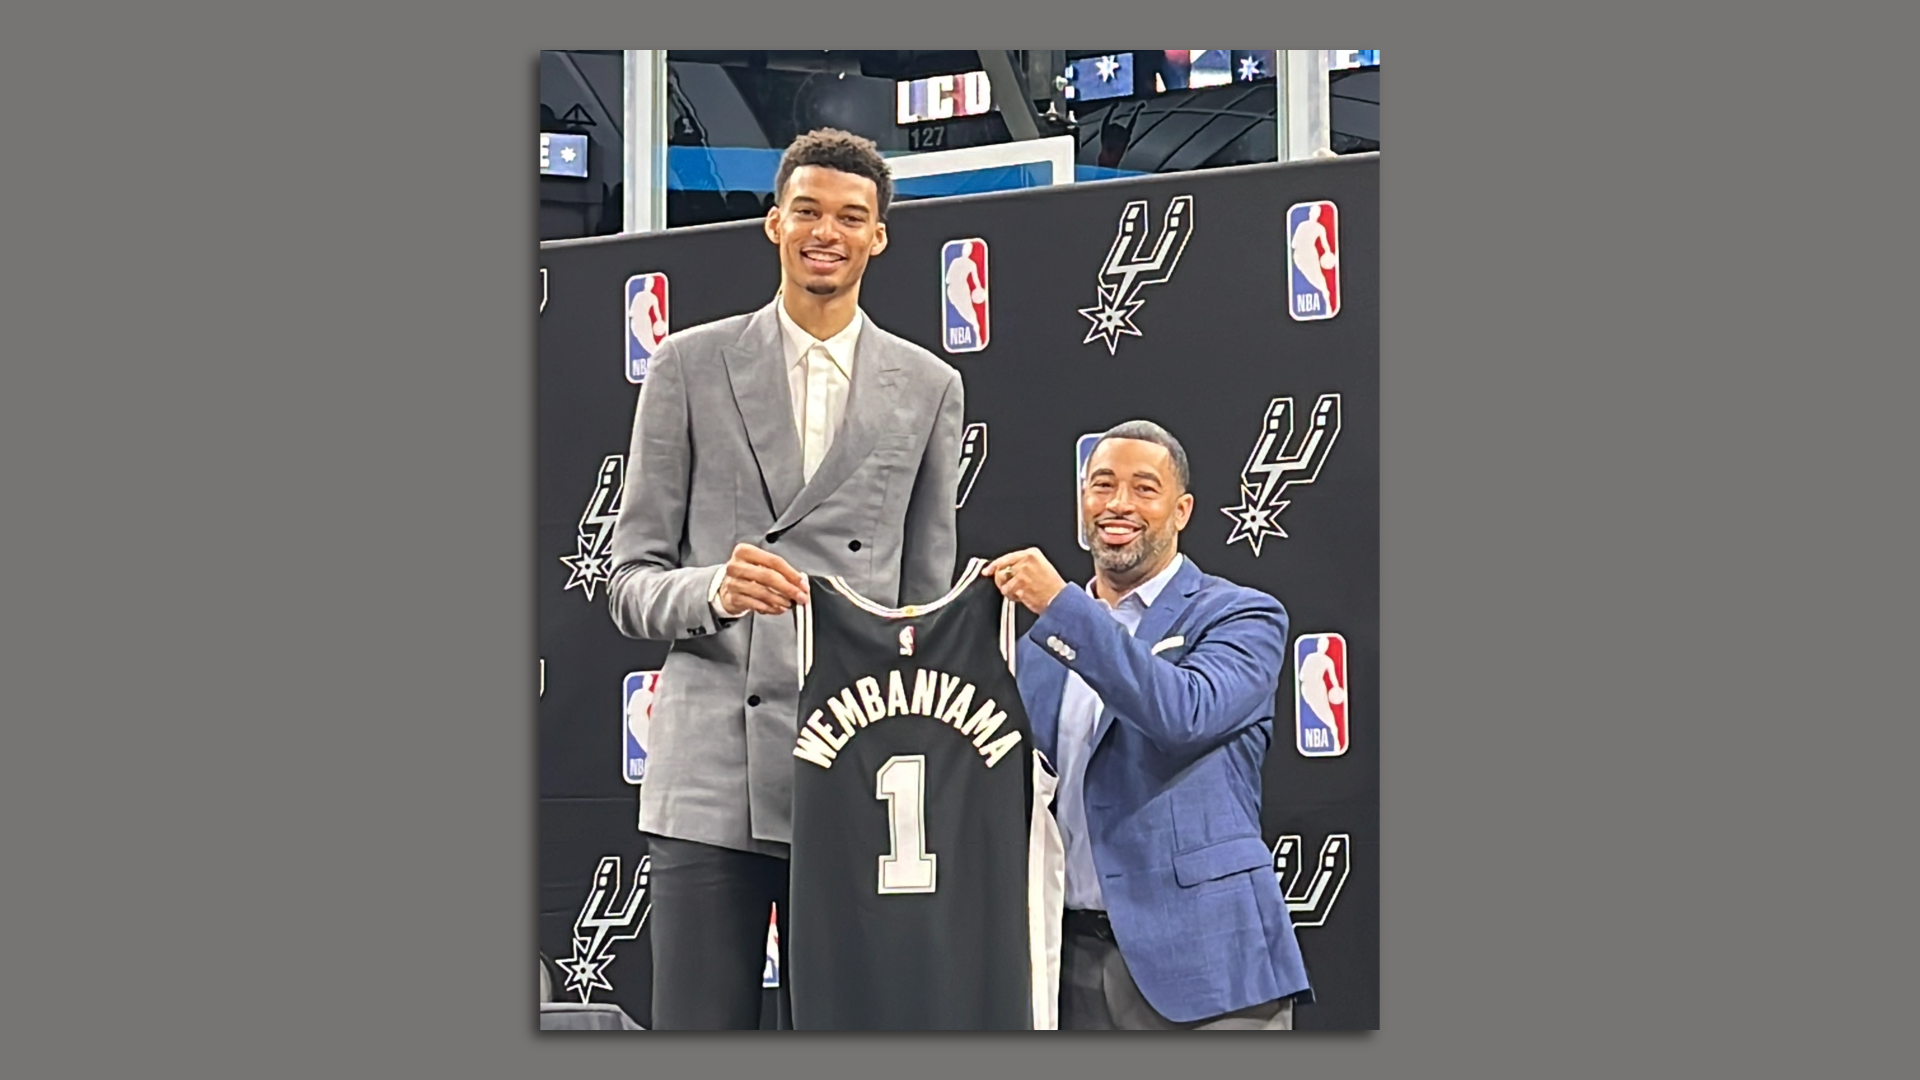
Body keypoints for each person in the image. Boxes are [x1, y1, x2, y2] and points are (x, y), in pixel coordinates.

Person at [605, 128, 966, 1030]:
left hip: (853, 779)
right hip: (710, 784)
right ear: (774, 223)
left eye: (852, 217)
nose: (826, 232)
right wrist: (715, 591)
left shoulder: (927, 386)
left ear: (880, 236)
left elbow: (923, 607)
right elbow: (628, 581)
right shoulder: (687, 364)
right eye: (807, 211)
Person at [983, 420, 1312, 1030]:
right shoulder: (1032, 647)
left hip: (1210, 968)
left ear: (1182, 510)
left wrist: (1064, 607)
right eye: (1101, 485)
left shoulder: (1242, 615)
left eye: (1144, 488)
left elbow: (1182, 713)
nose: (1118, 504)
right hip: (1067, 967)